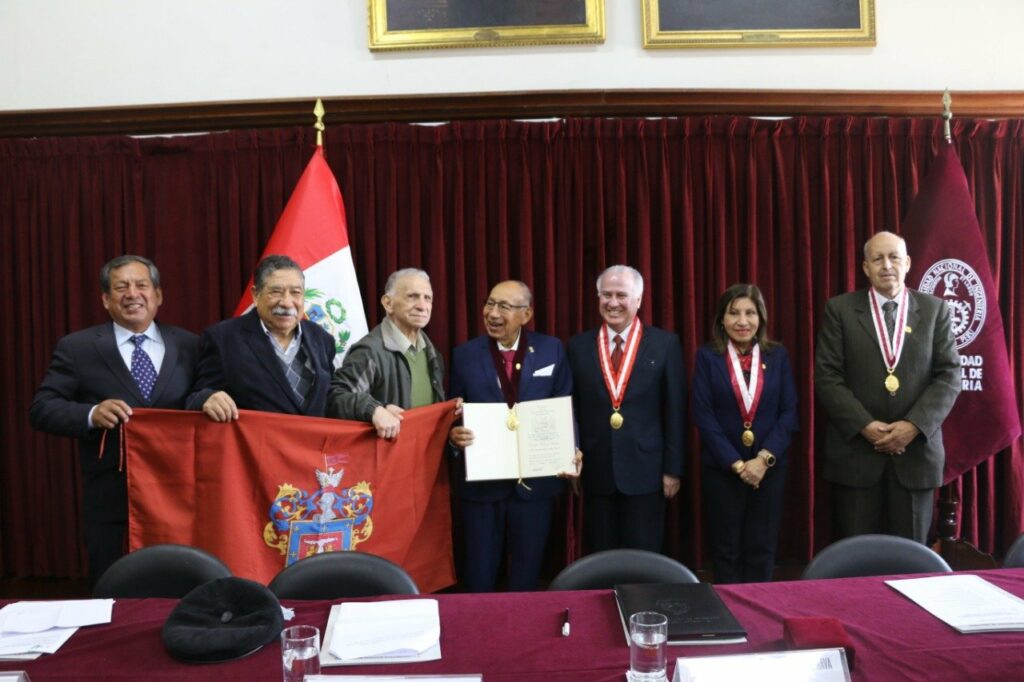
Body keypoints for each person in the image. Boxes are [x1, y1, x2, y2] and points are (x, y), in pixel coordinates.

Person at [29, 255, 199, 583]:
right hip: (112, 502)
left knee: (181, 588)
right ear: (106, 299)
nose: (132, 294)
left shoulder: (190, 345)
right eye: (121, 287)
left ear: (158, 296)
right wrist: (91, 413)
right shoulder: (78, 348)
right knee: (116, 592)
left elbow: (202, 395)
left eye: (141, 285)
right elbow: (42, 408)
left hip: (180, 496)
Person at [815, 231, 961, 544]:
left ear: (907, 263)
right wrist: (865, 426)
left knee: (911, 564)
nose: (886, 265)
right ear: (865, 267)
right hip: (856, 455)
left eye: (894, 257)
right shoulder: (840, 310)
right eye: (877, 258)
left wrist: (913, 426)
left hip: (916, 455)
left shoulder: (936, 310)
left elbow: (949, 375)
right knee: (855, 562)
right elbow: (827, 376)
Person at [447, 280, 580, 592]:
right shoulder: (464, 355)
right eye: (490, 304)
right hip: (481, 487)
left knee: (527, 576)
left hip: (535, 485)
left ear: (526, 313)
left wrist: (571, 449)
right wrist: (454, 437)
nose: (493, 313)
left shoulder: (551, 349)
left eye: (504, 307)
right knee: (478, 577)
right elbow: (451, 413)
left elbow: (565, 406)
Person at [567, 265, 686, 552]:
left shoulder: (664, 344)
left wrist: (673, 469)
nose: (613, 302)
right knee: (601, 558)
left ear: (638, 300)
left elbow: (675, 411)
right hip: (596, 471)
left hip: (647, 471)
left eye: (621, 295)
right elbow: (572, 410)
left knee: (643, 557)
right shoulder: (577, 346)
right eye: (605, 295)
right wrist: (570, 461)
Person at [692, 284, 798, 584]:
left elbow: (789, 412)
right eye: (733, 312)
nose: (742, 321)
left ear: (760, 318)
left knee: (761, 548)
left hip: (769, 470)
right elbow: (704, 415)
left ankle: (759, 615)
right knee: (726, 550)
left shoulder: (777, 355)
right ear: (721, 319)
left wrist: (762, 461)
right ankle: (729, 614)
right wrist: (738, 465)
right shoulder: (707, 357)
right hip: (723, 470)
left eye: (750, 313)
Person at [187, 255, 335, 419]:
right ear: (256, 295)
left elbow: (331, 399)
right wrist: (206, 398)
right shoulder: (222, 339)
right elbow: (195, 397)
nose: (287, 302)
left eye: (295, 292)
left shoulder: (322, 339)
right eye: (276, 292)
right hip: (257, 443)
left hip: (315, 443)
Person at [327, 268, 445, 435]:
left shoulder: (433, 355)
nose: (422, 306)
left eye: (428, 298)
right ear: (388, 303)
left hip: (424, 457)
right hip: (385, 458)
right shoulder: (370, 351)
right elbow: (336, 397)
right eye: (412, 297)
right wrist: (375, 410)